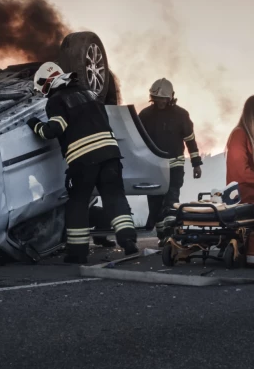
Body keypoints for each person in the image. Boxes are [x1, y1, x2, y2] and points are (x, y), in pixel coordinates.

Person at [27, 62, 138, 264]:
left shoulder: (56, 100)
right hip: (111, 155)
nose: (43, 92)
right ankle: (128, 240)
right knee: (115, 198)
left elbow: (53, 130)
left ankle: (78, 253)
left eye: (43, 87)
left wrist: (34, 124)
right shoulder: (89, 93)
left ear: (48, 82)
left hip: (83, 160)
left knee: (77, 204)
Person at [138, 78, 203, 242]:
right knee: (155, 201)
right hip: (153, 165)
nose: (160, 102)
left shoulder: (181, 115)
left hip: (175, 164)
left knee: (172, 198)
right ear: (152, 98)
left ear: (171, 97)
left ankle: (171, 234)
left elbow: (190, 140)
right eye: (157, 99)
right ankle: (162, 235)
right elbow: (138, 141)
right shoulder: (145, 115)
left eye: (163, 99)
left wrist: (196, 164)